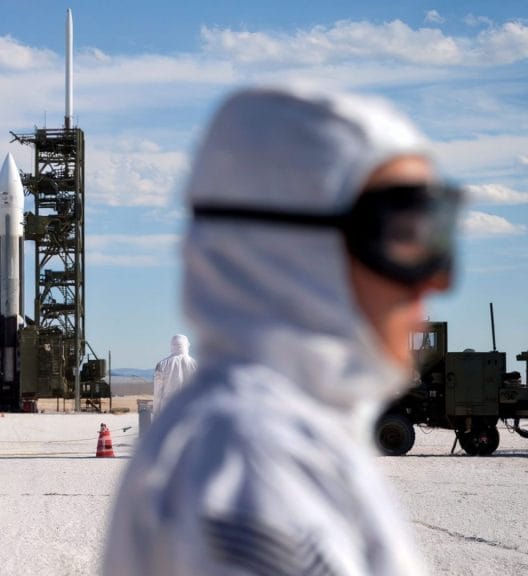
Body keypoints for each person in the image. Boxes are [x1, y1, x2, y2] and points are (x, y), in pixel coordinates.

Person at [104, 84, 462, 575]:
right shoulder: (254, 464)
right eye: (404, 233)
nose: (436, 278)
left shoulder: (267, 436)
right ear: (299, 250)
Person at [152, 334, 197, 414]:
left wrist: (156, 413)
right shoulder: (195, 365)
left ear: (172, 345)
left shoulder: (162, 365)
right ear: (186, 345)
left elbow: (157, 393)